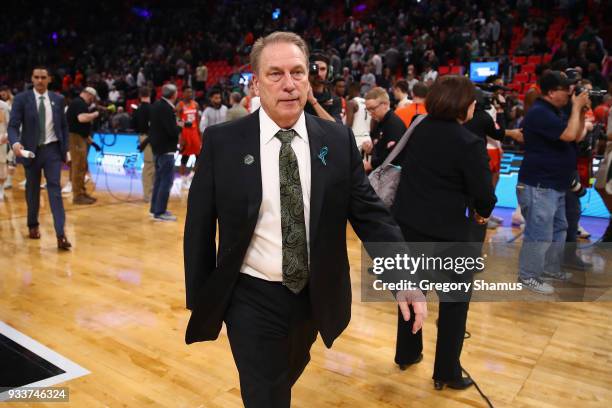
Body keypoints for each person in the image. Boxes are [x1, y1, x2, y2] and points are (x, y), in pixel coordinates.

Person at [183, 31, 427, 408]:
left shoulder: (336, 138)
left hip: (314, 296)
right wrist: (201, 298)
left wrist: (402, 273)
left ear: (309, 80)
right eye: (275, 74)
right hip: (250, 294)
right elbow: (198, 226)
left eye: (297, 72)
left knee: (287, 372)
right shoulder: (223, 142)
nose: (288, 84)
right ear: (256, 82)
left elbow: (371, 215)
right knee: (265, 391)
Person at [392, 75, 497, 391]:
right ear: (464, 105)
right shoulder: (468, 143)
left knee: (412, 292)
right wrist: (481, 214)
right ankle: (446, 372)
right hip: (450, 234)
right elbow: (484, 196)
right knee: (454, 303)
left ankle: (407, 353)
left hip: (408, 226)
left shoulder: (419, 128)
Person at [517, 71, 590, 294]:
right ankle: (528, 275)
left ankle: (549, 268)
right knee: (539, 233)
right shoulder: (540, 113)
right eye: (565, 89)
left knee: (559, 228)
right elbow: (568, 136)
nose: (570, 92)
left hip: (555, 184)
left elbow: (576, 136)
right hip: (540, 185)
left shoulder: (555, 111)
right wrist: (577, 107)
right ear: (551, 92)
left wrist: (580, 110)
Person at [8, 66, 71, 250]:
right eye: (36, 77)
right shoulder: (22, 99)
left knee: (55, 191)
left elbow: (64, 127)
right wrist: (15, 143)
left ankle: (61, 235)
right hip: (30, 152)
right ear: (32, 79)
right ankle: (32, 224)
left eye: (43, 77)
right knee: (32, 191)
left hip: (52, 151)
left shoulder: (58, 99)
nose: (40, 81)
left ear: (49, 79)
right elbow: (13, 126)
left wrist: (65, 149)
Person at [148, 84, 181, 222]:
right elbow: (171, 131)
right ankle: (160, 212)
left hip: (156, 148)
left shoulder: (156, 105)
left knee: (159, 180)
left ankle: (154, 209)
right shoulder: (167, 108)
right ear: (174, 95)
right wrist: (179, 127)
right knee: (166, 181)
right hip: (166, 149)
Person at [66, 86, 100, 204]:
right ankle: (78, 195)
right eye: (93, 98)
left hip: (79, 138)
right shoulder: (79, 103)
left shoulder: (78, 103)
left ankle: (82, 192)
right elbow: (81, 119)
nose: (92, 100)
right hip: (76, 139)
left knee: (82, 166)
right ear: (89, 95)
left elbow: (81, 128)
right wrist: (95, 114)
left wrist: (93, 143)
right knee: (78, 166)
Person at [361, 87, 406, 172]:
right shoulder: (378, 121)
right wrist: (370, 149)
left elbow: (392, 156)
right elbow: (379, 148)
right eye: (368, 110)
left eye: (373, 108)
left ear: (385, 104)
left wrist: (371, 165)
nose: (370, 113)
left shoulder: (394, 124)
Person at [304, 53, 342, 123]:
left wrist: (313, 101)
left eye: (322, 69)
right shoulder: (299, 97)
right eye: (315, 69)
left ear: (329, 72)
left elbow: (336, 126)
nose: (319, 74)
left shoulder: (334, 99)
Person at [176, 86, 201, 188]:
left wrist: (199, 133)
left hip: (194, 132)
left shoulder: (196, 104)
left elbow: (198, 120)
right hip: (185, 133)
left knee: (199, 157)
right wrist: (180, 136)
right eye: (187, 92)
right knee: (184, 157)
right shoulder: (180, 105)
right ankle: (182, 179)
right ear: (183, 94)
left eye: (191, 92)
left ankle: (191, 176)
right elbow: (177, 122)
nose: (190, 94)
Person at [133, 87, 153, 202]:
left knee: (149, 166)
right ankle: (148, 195)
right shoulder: (153, 108)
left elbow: (133, 125)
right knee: (151, 166)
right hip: (151, 138)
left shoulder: (138, 109)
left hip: (142, 137)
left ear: (140, 96)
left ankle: (148, 194)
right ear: (149, 94)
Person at [345, 83, 371, 153]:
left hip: (356, 140)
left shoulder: (351, 103)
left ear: (351, 90)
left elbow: (348, 125)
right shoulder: (368, 103)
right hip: (368, 139)